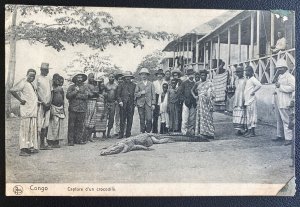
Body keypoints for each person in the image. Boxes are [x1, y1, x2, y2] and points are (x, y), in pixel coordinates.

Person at [10, 69, 39, 156]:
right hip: (26, 111)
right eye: (30, 75)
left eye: (33, 76)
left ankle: (29, 147)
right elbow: (12, 90)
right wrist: (20, 100)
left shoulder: (31, 84)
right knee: (24, 129)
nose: (32, 77)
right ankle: (22, 149)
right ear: (26, 75)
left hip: (32, 111)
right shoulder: (23, 82)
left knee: (31, 129)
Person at [272, 59, 295, 146]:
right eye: (278, 68)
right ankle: (280, 135)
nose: (279, 70)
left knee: (286, 119)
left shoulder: (290, 77)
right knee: (279, 119)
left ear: (285, 68)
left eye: (281, 68)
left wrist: (281, 87)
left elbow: (294, 88)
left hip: (285, 100)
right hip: (278, 99)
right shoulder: (280, 76)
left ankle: (289, 138)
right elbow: (276, 87)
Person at [192, 69, 215, 139]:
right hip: (200, 102)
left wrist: (207, 96)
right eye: (201, 75)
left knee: (208, 118)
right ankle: (202, 132)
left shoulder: (209, 83)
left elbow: (213, 94)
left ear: (206, 76)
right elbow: (192, 90)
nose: (203, 77)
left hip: (206, 103)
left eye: (204, 75)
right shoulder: (198, 83)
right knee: (200, 117)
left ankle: (210, 133)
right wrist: (195, 96)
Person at [66, 73, 88, 145]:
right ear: (75, 79)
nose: (79, 79)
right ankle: (71, 141)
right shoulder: (71, 87)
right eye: (78, 78)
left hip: (82, 108)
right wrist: (75, 91)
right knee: (71, 125)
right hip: (73, 108)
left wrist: (76, 95)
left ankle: (79, 139)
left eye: (81, 78)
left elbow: (86, 96)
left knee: (80, 125)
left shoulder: (85, 87)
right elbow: (68, 96)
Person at [36, 63, 53, 150]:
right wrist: (43, 102)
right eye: (45, 70)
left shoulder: (49, 78)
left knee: (46, 124)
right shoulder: (37, 78)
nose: (46, 71)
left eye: (47, 70)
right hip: (40, 104)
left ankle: (44, 143)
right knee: (39, 124)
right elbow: (36, 92)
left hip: (48, 104)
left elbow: (51, 91)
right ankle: (37, 144)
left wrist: (49, 102)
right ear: (41, 70)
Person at [135, 68, 156, 133]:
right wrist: (141, 93)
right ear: (140, 76)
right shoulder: (138, 84)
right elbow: (135, 94)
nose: (144, 76)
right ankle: (142, 131)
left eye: (145, 74)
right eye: (142, 74)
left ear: (147, 75)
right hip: (140, 103)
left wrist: (153, 103)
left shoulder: (151, 84)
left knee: (149, 118)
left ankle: (148, 131)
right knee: (142, 118)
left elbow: (153, 94)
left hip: (148, 103)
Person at [177, 67, 197, 135]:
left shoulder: (195, 83)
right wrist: (184, 99)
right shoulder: (184, 83)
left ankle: (190, 131)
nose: (191, 76)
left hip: (193, 103)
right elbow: (180, 93)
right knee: (185, 119)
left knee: (192, 119)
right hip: (186, 103)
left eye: (192, 74)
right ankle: (184, 132)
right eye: (190, 75)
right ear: (187, 76)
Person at [243, 66, 262, 137]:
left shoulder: (253, 79)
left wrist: (253, 91)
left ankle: (252, 132)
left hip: (251, 100)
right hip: (248, 100)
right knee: (249, 116)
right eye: (245, 71)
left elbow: (259, 85)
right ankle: (249, 131)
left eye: (247, 71)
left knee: (252, 116)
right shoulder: (248, 80)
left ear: (251, 72)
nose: (246, 72)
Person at [48, 74, 65, 148]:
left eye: (59, 80)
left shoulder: (60, 88)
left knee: (59, 125)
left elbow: (63, 98)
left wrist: (63, 108)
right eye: (56, 80)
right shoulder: (52, 88)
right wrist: (50, 109)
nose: (58, 81)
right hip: (53, 107)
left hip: (60, 108)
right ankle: (51, 141)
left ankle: (56, 141)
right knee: (53, 125)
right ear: (53, 80)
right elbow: (50, 99)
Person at [117, 71, 136, 138]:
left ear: (131, 77)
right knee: (122, 119)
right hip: (123, 104)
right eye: (126, 77)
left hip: (131, 104)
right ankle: (121, 133)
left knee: (130, 119)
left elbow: (135, 94)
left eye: (129, 77)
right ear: (124, 78)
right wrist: (120, 101)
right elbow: (118, 95)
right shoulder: (121, 85)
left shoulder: (134, 85)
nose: (128, 78)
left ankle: (128, 133)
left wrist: (134, 103)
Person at [82, 73, 98, 143]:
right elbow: (89, 94)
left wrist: (94, 93)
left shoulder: (94, 85)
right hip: (89, 102)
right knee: (87, 120)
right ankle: (84, 137)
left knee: (93, 120)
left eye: (93, 77)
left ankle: (89, 137)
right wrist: (94, 93)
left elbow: (97, 94)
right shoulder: (86, 85)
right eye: (91, 77)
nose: (92, 79)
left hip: (95, 102)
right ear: (88, 78)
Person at [232, 66, 247, 136]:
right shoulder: (236, 80)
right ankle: (238, 129)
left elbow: (246, 91)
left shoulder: (245, 80)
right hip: (237, 99)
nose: (238, 74)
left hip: (242, 98)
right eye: (236, 72)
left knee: (243, 114)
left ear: (242, 72)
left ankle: (243, 129)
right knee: (237, 113)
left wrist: (245, 99)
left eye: (239, 72)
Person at [152, 68, 167, 133]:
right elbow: (153, 92)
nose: (159, 76)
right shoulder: (154, 83)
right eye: (158, 74)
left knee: (163, 114)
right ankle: (155, 130)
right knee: (155, 115)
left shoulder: (165, 82)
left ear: (162, 75)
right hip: (156, 97)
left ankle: (162, 130)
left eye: (161, 74)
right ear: (157, 75)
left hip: (163, 97)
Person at [105, 73, 118, 138]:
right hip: (107, 103)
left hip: (113, 103)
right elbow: (103, 93)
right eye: (110, 77)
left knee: (111, 118)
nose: (111, 78)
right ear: (108, 77)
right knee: (104, 118)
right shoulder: (106, 85)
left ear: (114, 78)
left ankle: (108, 133)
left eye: (113, 77)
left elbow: (117, 94)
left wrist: (116, 100)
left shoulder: (116, 85)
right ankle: (104, 132)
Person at [113, 73, 124, 137]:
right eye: (119, 79)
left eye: (121, 79)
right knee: (116, 116)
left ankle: (122, 130)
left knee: (123, 116)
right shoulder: (115, 86)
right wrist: (115, 100)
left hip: (123, 102)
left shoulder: (124, 85)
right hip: (117, 103)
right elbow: (114, 95)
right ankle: (116, 131)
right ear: (117, 80)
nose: (120, 80)